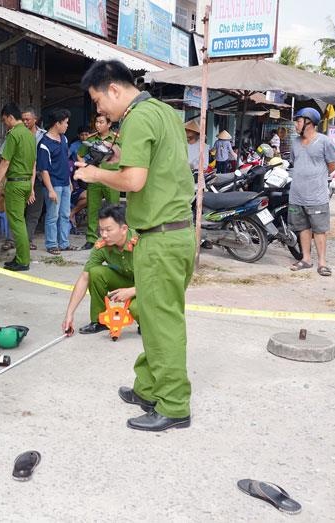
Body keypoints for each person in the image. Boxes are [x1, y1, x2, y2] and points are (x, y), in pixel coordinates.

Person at [74, 60, 196, 432]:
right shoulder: (165, 113)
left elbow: (135, 180)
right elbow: (151, 165)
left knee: (162, 322)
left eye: (97, 101)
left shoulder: (139, 117)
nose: (99, 111)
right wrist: (111, 158)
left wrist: (93, 173)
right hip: (169, 233)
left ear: (113, 89)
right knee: (151, 316)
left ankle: (174, 406)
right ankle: (149, 389)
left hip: (161, 236)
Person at [62, 205, 137, 335]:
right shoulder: (102, 245)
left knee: (136, 309)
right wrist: (69, 314)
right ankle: (100, 321)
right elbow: (84, 278)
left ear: (124, 228)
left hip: (147, 285)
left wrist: (132, 291)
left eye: (108, 230)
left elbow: (159, 278)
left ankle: (147, 322)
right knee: (95, 272)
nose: (104, 235)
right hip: (124, 280)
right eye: (101, 230)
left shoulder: (140, 242)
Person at [287, 107, 335, 276]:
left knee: (319, 229)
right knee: (302, 227)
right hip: (297, 194)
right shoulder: (295, 142)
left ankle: (322, 263)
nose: (296, 124)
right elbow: (295, 162)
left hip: (317, 195)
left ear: (309, 123)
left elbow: (332, 165)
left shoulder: (324, 141)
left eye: (299, 121)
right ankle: (306, 259)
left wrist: (317, 178)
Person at [0, 103, 36, 272]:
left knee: (17, 223)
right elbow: (33, 163)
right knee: (20, 220)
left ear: (10, 117)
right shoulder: (30, 135)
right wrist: (31, 187)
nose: (5, 123)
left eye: (4, 120)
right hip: (25, 183)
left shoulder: (14, 134)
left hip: (15, 183)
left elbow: (5, 162)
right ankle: (20, 257)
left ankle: (23, 260)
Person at [79, 114, 121, 250]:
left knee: (113, 208)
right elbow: (79, 154)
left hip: (112, 177)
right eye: (97, 122)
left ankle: (115, 238)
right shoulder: (91, 139)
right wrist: (85, 167)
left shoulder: (116, 139)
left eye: (101, 122)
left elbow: (124, 155)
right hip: (95, 178)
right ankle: (91, 238)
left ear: (109, 124)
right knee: (92, 208)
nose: (98, 125)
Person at [36, 108, 74, 254]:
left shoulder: (64, 139)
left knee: (65, 215)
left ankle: (64, 243)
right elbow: (43, 170)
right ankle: (52, 244)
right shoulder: (44, 143)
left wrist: (69, 181)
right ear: (57, 123)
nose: (67, 126)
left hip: (65, 183)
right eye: (65, 123)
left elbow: (65, 162)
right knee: (53, 216)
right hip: (53, 185)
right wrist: (50, 189)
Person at [22, 106, 46, 250]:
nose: (25, 122)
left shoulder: (44, 136)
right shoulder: (16, 134)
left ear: (35, 119)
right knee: (18, 212)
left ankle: (28, 239)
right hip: (21, 176)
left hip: (38, 178)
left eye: (28, 119)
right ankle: (11, 240)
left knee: (34, 212)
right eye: (23, 119)